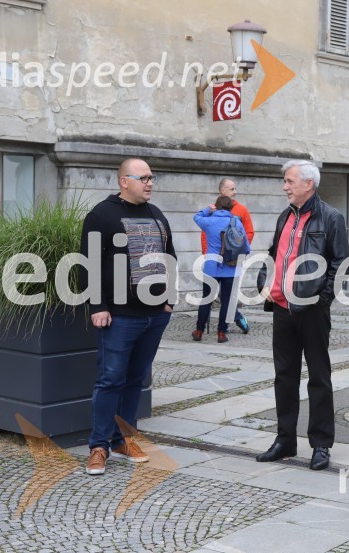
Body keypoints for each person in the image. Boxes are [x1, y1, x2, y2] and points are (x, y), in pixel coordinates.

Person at [79, 158, 176, 476]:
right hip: (119, 316)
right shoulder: (102, 215)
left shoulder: (156, 214)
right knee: (110, 380)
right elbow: (88, 264)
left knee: (135, 380)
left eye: (152, 178)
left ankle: (123, 439)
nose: (150, 183)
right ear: (124, 181)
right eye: (144, 178)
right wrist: (98, 306)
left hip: (154, 316)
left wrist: (169, 300)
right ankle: (98, 446)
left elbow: (170, 255)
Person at [255, 160, 349, 471]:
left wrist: (321, 300)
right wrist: (264, 283)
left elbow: (341, 264)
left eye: (290, 181)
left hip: (312, 312)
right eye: (285, 181)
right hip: (282, 309)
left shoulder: (331, 217)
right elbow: (274, 255)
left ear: (309, 184)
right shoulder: (286, 215)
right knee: (284, 377)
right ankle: (285, 440)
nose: (285, 186)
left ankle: (321, 444)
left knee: (319, 379)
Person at [192, 195, 251, 343]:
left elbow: (196, 217)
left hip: (211, 266)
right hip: (230, 267)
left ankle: (199, 331)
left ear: (217, 206)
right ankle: (221, 333)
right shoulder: (236, 222)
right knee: (226, 302)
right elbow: (246, 247)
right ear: (231, 208)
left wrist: (208, 209)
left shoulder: (208, 221)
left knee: (206, 299)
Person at [200, 178, 254, 334]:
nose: (235, 192)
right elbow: (205, 235)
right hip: (214, 260)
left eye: (235, 188)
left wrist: (237, 252)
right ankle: (230, 321)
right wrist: (206, 253)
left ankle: (233, 319)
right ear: (222, 191)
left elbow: (248, 233)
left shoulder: (241, 210)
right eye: (231, 189)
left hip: (233, 260)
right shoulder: (213, 210)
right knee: (213, 296)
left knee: (227, 296)